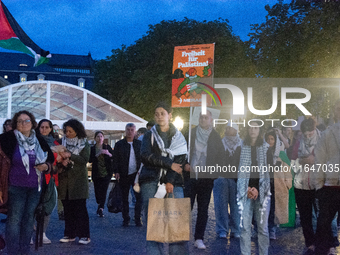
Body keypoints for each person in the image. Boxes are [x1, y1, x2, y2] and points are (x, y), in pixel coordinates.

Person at [0, 111, 54, 255]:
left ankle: (24, 250)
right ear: (15, 124)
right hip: (15, 186)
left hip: (35, 187)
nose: (23, 123)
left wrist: (47, 167)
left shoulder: (39, 140)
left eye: (27, 120)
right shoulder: (7, 139)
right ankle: (13, 251)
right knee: (14, 219)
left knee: (29, 219)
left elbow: (51, 160)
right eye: (19, 121)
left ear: (32, 123)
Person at [139, 102, 189, 255]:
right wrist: (169, 163)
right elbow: (145, 156)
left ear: (170, 115)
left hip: (174, 182)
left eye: (162, 113)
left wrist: (170, 180)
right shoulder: (149, 135)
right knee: (154, 224)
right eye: (157, 113)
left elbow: (180, 160)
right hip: (151, 180)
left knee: (177, 222)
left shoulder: (179, 137)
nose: (159, 116)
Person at [186, 110, 224, 249]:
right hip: (190, 176)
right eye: (201, 117)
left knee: (203, 209)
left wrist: (214, 173)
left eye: (205, 117)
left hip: (206, 178)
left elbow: (221, 156)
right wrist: (185, 164)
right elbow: (182, 149)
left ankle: (199, 238)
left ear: (211, 119)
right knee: (186, 207)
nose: (203, 119)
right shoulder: (190, 133)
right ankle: (182, 235)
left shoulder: (215, 136)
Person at [236, 121, 271, 255]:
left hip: (262, 191)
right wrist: (247, 188)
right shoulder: (241, 147)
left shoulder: (266, 148)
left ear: (259, 130)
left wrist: (256, 188)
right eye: (251, 127)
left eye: (255, 128)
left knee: (263, 228)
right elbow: (235, 170)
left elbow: (269, 172)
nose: (253, 130)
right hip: (244, 190)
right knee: (244, 227)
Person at [58, 119, 91, 245]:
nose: (67, 134)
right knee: (67, 209)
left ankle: (84, 235)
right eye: (66, 131)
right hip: (65, 181)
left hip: (78, 182)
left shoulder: (84, 144)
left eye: (70, 131)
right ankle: (69, 233)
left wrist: (70, 155)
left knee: (80, 209)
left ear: (77, 131)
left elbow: (84, 160)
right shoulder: (62, 142)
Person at [314, 99, 340, 255]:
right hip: (330, 185)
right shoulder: (327, 133)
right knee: (323, 224)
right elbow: (319, 159)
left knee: (323, 223)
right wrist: (319, 185)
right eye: (338, 108)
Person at [291, 118, 320, 255]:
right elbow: (292, 164)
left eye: (310, 134)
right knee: (305, 216)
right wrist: (302, 161)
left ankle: (325, 241)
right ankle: (310, 243)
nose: (307, 136)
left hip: (319, 184)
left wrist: (316, 160)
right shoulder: (298, 143)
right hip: (301, 184)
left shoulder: (322, 140)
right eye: (305, 134)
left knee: (323, 216)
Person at [35, 119, 61, 244]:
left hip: (50, 177)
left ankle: (42, 232)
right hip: (34, 178)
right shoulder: (33, 140)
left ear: (51, 129)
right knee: (33, 206)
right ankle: (30, 231)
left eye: (46, 127)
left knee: (48, 205)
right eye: (42, 127)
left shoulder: (56, 143)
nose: (44, 129)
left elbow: (58, 163)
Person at [214, 123, 241, 239]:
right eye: (227, 128)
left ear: (235, 130)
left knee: (236, 206)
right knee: (221, 206)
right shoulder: (220, 142)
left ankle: (236, 229)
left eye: (230, 128)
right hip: (221, 177)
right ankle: (222, 229)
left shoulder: (242, 144)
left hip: (236, 179)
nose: (227, 130)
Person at [113, 123, 142, 227]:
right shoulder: (119, 144)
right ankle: (126, 219)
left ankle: (137, 218)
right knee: (124, 198)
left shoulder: (139, 144)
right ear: (125, 130)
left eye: (132, 130)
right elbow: (115, 159)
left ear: (135, 131)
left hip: (136, 175)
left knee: (139, 198)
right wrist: (116, 171)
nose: (130, 132)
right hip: (124, 174)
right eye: (128, 129)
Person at [265, 130, 292, 240]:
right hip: (265, 185)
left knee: (274, 209)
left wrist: (287, 184)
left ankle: (272, 230)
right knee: (263, 208)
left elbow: (287, 169)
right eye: (268, 139)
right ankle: (260, 229)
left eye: (272, 139)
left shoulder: (281, 153)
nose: (270, 141)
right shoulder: (262, 152)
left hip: (278, 186)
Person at [89, 131, 113, 217]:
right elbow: (89, 160)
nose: (100, 138)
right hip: (96, 173)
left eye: (101, 136)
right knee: (97, 191)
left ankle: (101, 208)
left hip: (107, 173)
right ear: (95, 138)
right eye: (98, 137)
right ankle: (99, 203)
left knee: (104, 190)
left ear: (103, 138)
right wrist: (97, 154)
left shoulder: (107, 147)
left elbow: (113, 156)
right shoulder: (92, 148)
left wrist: (108, 153)